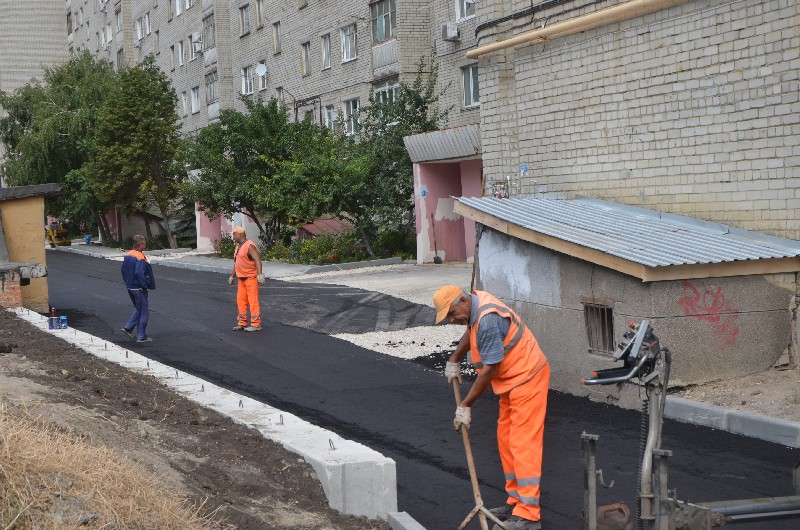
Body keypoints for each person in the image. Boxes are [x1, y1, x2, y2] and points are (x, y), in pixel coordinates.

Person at [434, 285, 550, 530]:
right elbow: (471, 333)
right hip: (510, 382)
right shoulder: (474, 308)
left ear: (463, 301)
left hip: (527, 377)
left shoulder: (487, 319)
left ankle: (529, 515)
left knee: (523, 443)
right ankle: (516, 502)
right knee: (506, 439)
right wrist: (454, 358)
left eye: (452, 314)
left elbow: (490, 370)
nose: (453, 321)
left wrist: (465, 405)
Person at [228, 226, 265, 332]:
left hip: (251, 278)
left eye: (234, 234)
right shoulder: (238, 246)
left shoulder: (249, 245)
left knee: (253, 301)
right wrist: (232, 276)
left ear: (240, 234)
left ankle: (256, 324)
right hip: (241, 278)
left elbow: (257, 259)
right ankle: (242, 323)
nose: (233, 236)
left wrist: (260, 275)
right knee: (241, 301)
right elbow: (237, 263)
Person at [121, 235, 156, 343]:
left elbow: (123, 270)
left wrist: (128, 282)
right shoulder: (140, 257)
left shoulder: (129, 254)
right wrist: (144, 285)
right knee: (144, 312)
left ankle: (128, 328)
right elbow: (139, 272)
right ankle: (141, 337)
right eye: (144, 243)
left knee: (139, 309)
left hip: (130, 287)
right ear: (140, 244)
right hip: (138, 288)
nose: (145, 245)